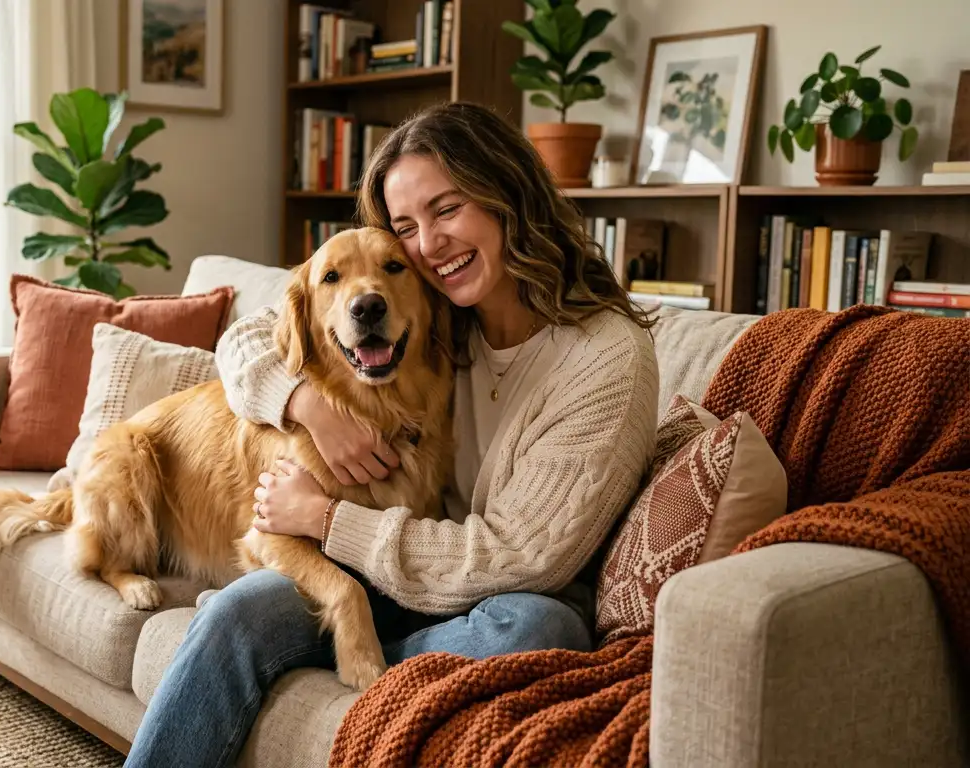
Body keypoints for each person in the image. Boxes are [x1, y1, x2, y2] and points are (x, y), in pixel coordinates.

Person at [123, 101, 660, 767]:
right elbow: (245, 338)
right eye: (406, 225)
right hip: (382, 571)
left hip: (486, 598)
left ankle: (365, 659)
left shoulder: (605, 358)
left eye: (448, 208)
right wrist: (309, 407)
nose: (429, 243)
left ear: (508, 194)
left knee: (537, 625)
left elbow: (528, 559)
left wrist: (327, 519)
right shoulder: (437, 306)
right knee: (238, 610)